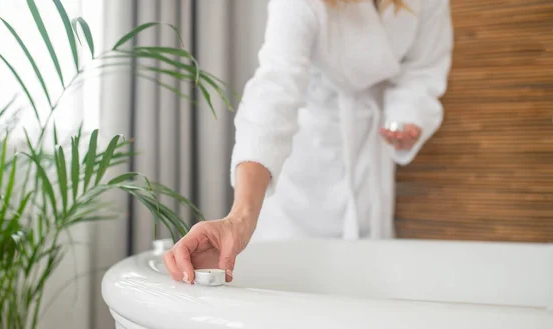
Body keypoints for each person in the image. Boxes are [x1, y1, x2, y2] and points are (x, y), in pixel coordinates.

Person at [163, 0, 453, 284]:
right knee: (294, 289)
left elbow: (423, 69)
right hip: (304, 160)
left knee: (366, 286)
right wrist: (239, 218)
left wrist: (406, 116)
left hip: (370, 151)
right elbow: (275, 90)